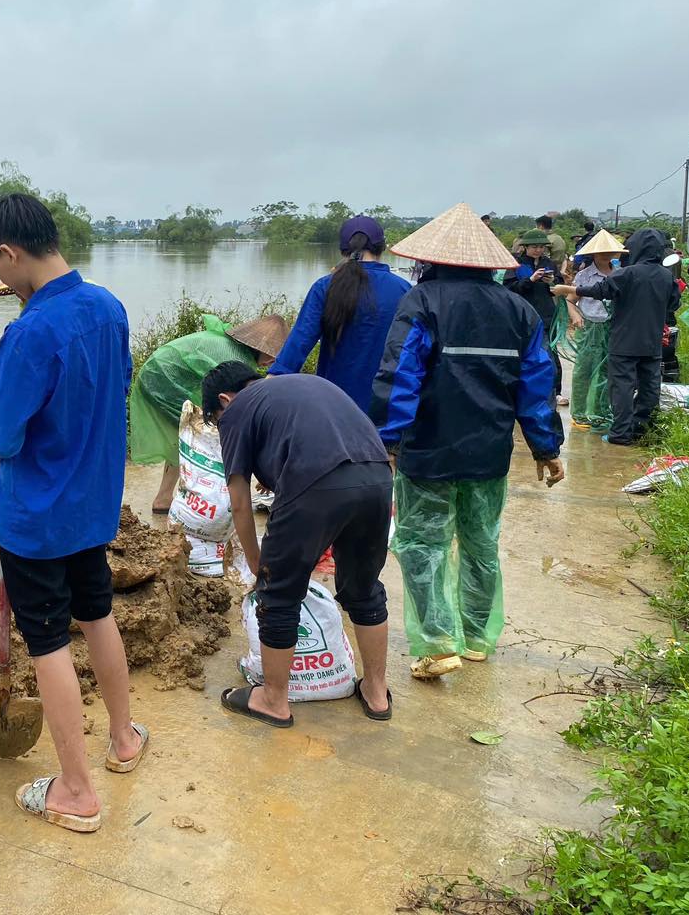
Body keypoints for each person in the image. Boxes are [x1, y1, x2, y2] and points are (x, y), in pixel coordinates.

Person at [0, 191, 145, 834]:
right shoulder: (108, 306)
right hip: (91, 507)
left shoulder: (30, 331)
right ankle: (123, 738)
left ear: (10, 253)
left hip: (38, 517)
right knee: (96, 614)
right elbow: (106, 386)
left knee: (46, 643)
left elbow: (2, 438)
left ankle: (75, 790)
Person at [371, 203, 565, 680]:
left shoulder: (421, 302)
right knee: (481, 542)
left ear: (431, 260)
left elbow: (400, 377)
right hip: (489, 452)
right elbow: (537, 386)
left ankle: (438, 644)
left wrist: (386, 443)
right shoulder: (519, 310)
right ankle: (476, 638)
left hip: (428, 450)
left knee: (422, 544)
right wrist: (546, 448)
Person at [203, 362, 393, 727]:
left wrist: (260, 566)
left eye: (214, 418)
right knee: (365, 589)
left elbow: (240, 501)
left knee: (277, 596)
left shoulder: (237, 411)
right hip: (377, 478)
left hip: (316, 481)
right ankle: (376, 692)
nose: (219, 427)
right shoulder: (296, 386)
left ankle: (273, 699)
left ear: (224, 400)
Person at [130, 314, 289, 514]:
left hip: (159, 374)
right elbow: (241, 417)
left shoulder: (235, 351)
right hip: (162, 379)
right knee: (200, 433)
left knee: (185, 435)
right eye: (271, 354)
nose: (272, 361)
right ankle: (197, 496)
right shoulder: (237, 362)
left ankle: (164, 498)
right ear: (258, 348)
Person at [553, 228, 682, 446]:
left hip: (624, 342)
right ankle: (641, 429)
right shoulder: (666, 276)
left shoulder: (626, 273)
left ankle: (620, 434)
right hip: (651, 343)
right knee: (649, 386)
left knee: (621, 386)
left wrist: (566, 288)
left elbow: (601, 291)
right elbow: (674, 304)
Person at [270, 215, 411, 413]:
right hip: (385, 413)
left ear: (343, 250)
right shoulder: (403, 289)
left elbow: (300, 342)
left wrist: (270, 383)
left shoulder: (325, 286)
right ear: (382, 248)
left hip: (333, 410)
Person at [565, 230, 624, 432]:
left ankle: (601, 412)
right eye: (601, 252)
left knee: (607, 371)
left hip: (612, 327)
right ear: (593, 254)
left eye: (610, 251)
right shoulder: (584, 276)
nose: (605, 255)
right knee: (584, 370)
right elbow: (570, 300)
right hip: (589, 327)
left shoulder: (621, 273)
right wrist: (575, 315)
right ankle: (580, 413)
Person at [504, 229, 565, 407]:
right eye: (534, 247)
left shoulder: (550, 263)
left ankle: (555, 391)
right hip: (523, 315)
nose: (538, 250)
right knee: (522, 353)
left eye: (541, 247)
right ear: (525, 247)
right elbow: (508, 288)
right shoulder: (516, 264)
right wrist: (530, 280)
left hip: (546, 314)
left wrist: (552, 282)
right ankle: (519, 390)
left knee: (550, 354)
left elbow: (560, 285)